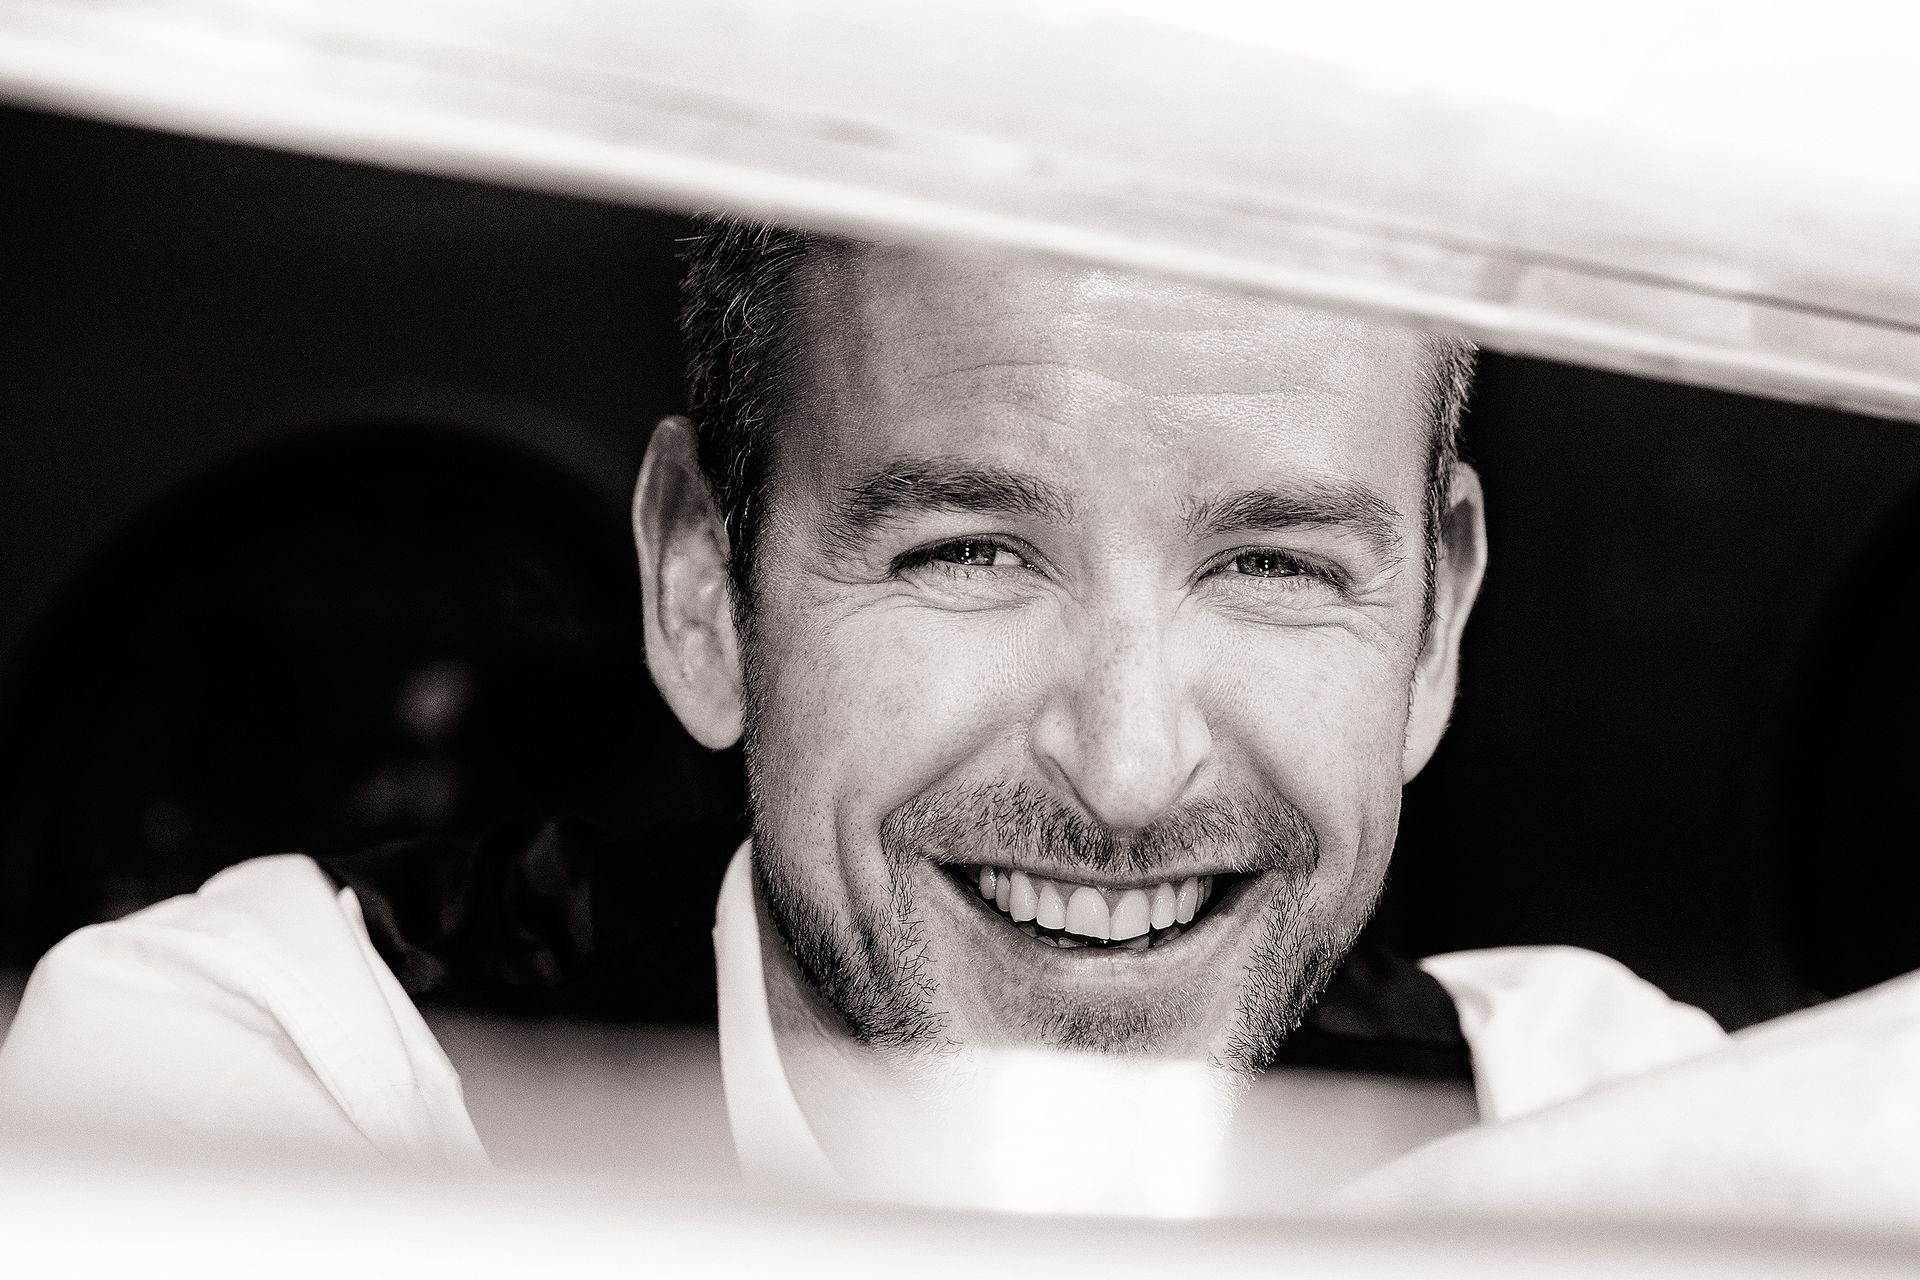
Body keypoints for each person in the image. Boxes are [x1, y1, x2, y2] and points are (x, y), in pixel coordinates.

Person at [0, 221, 1722, 1213]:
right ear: (701, 586)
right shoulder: (281, 1073)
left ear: (1433, 634)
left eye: (1273, 565)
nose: (1128, 770)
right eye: (967, 549)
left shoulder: (1593, 1128)